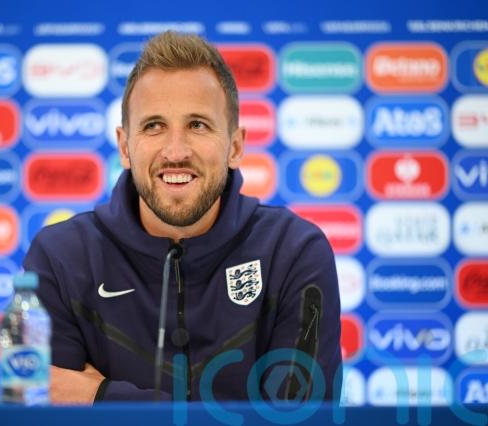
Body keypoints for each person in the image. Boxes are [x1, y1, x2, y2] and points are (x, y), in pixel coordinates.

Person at [24, 31, 342, 403]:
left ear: (235, 146)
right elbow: (44, 407)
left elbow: (301, 416)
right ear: (125, 147)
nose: (176, 152)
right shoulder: (61, 258)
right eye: (154, 126)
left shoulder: (293, 252)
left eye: (198, 125)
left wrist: (102, 396)